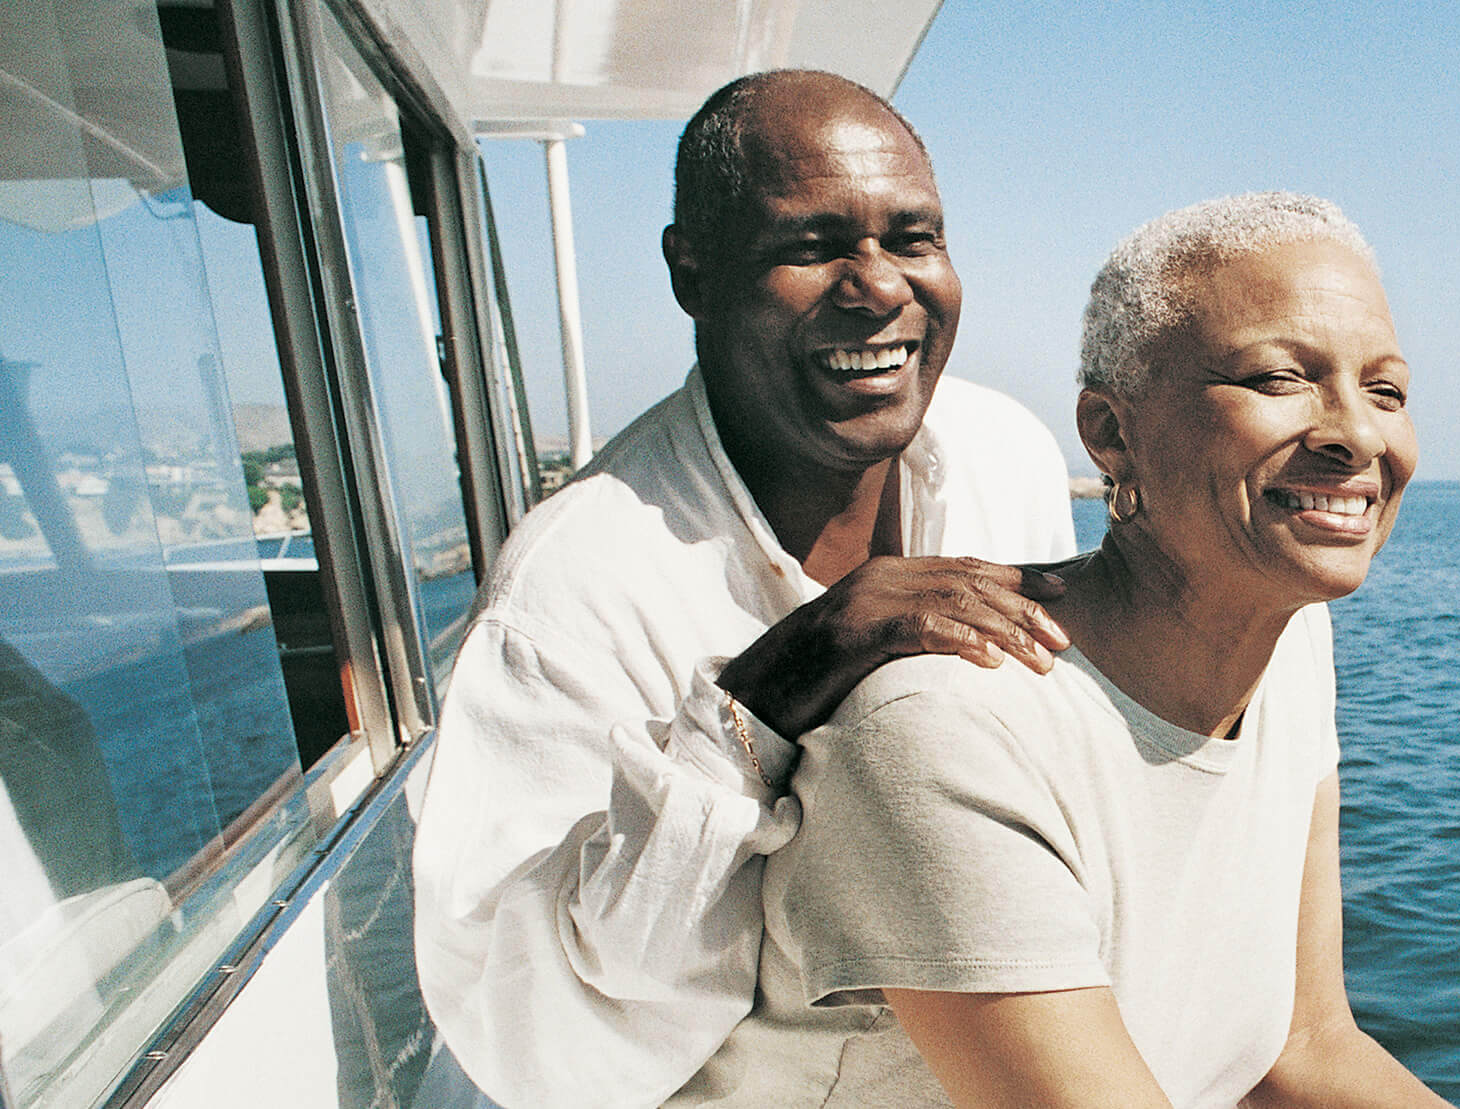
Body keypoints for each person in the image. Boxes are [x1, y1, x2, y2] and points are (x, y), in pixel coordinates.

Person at [669, 193, 1452, 1107]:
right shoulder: (944, 733)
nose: (1356, 433)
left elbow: (1305, 1046)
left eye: (1386, 390)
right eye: (1279, 379)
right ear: (1111, 432)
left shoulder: (1293, 647)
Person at [410, 71, 1081, 1109]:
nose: (879, 287)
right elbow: (545, 1056)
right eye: (811, 247)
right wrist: (775, 685)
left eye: (913, 238)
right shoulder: (571, 591)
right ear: (693, 269)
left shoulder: (1005, 454)